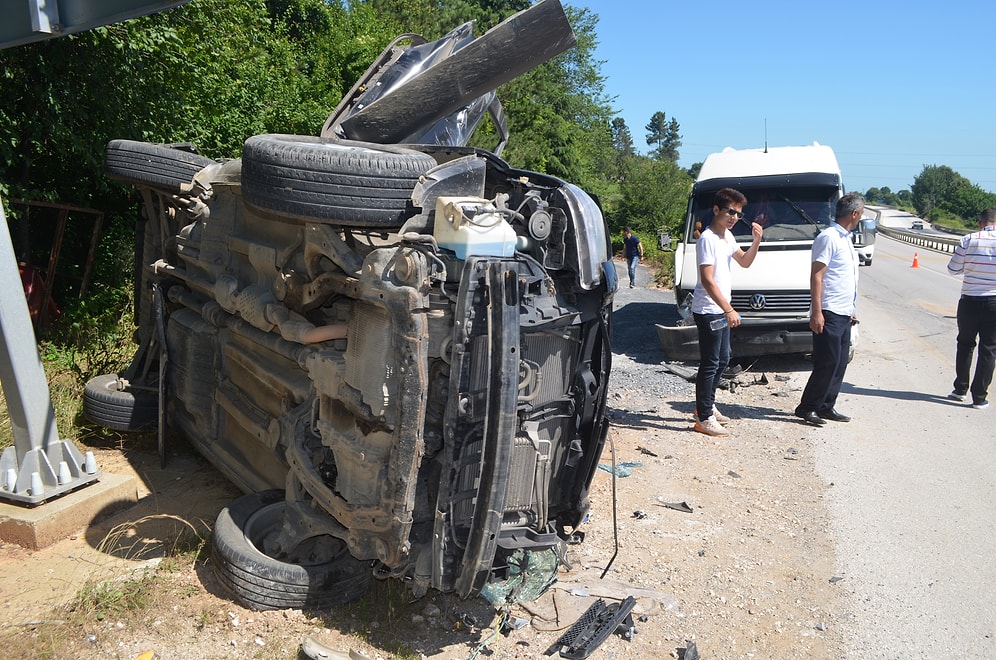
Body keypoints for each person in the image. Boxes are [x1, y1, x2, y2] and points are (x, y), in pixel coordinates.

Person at [692, 188, 763, 437]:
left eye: (738, 214)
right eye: (730, 211)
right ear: (716, 210)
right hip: (709, 310)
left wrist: (756, 241)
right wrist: (728, 309)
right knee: (710, 363)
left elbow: (744, 262)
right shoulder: (708, 239)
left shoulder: (728, 237)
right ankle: (704, 417)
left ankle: (707, 406)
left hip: (719, 310)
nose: (734, 217)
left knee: (722, 359)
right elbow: (707, 280)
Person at [794, 193, 865, 426]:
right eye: (861, 213)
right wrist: (816, 311)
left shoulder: (846, 239)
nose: (861, 216)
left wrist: (852, 308)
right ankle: (808, 407)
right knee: (827, 361)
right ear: (854, 214)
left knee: (840, 362)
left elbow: (845, 277)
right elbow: (817, 274)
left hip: (844, 311)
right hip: (829, 310)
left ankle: (826, 405)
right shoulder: (829, 237)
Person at [946, 207, 996, 410]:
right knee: (989, 350)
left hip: (969, 301)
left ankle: (960, 389)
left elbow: (953, 269)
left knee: (965, 344)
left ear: (980, 222)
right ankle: (979, 397)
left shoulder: (968, 239)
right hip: (994, 302)